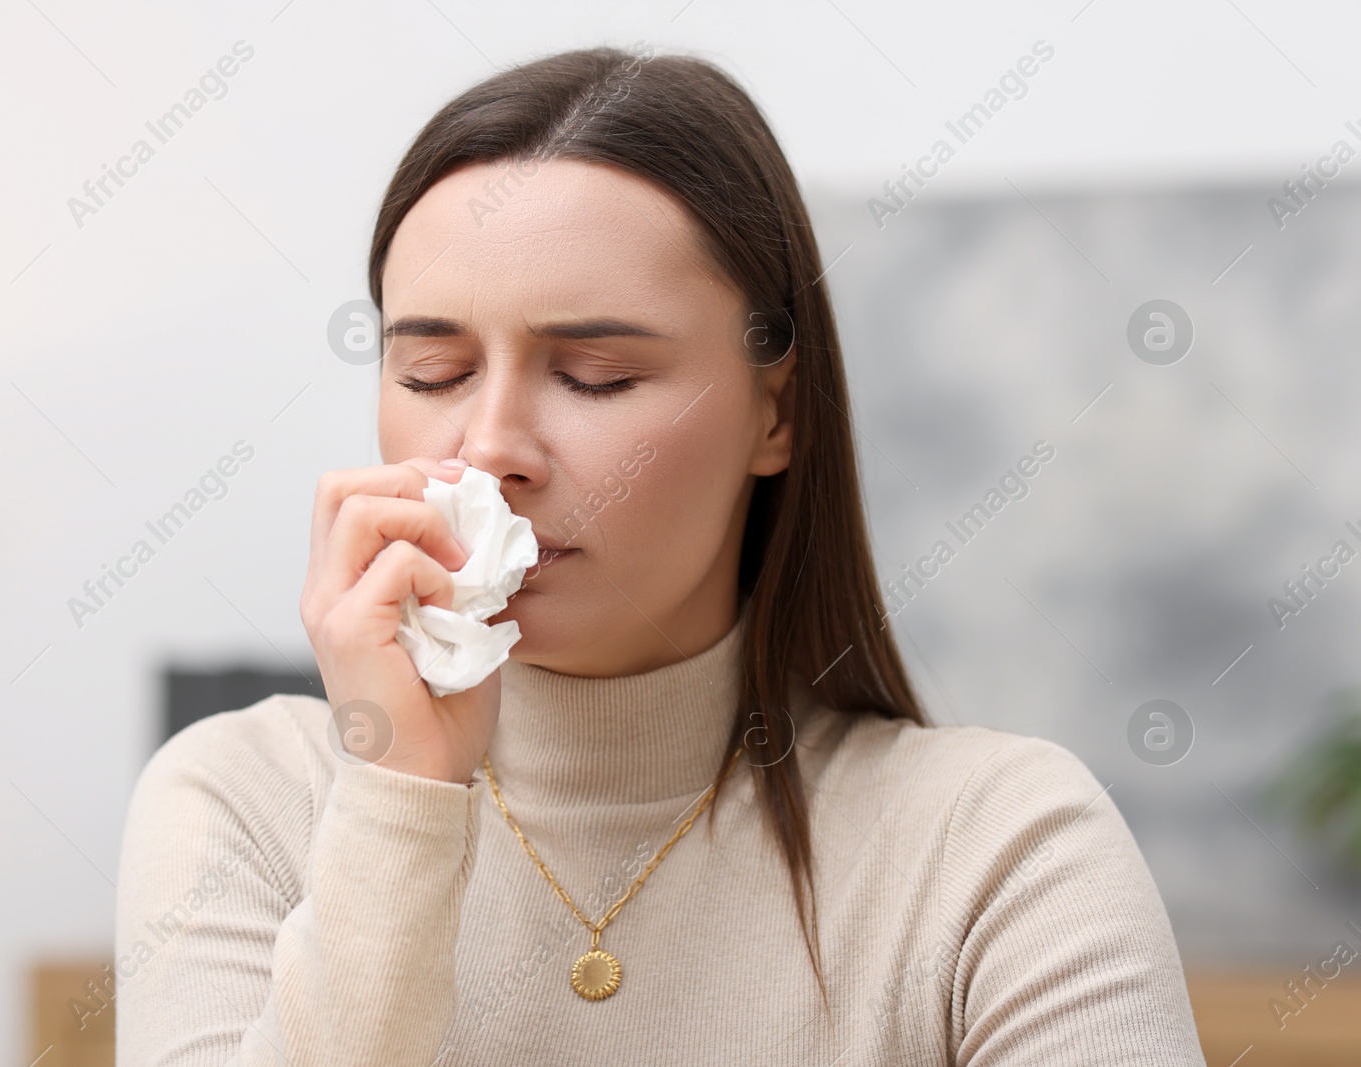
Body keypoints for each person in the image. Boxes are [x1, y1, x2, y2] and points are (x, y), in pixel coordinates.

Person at [113, 45, 1207, 1065]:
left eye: (593, 374)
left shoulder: (998, 848)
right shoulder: (244, 803)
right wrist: (400, 786)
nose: (488, 447)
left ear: (775, 413)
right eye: (434, 372)